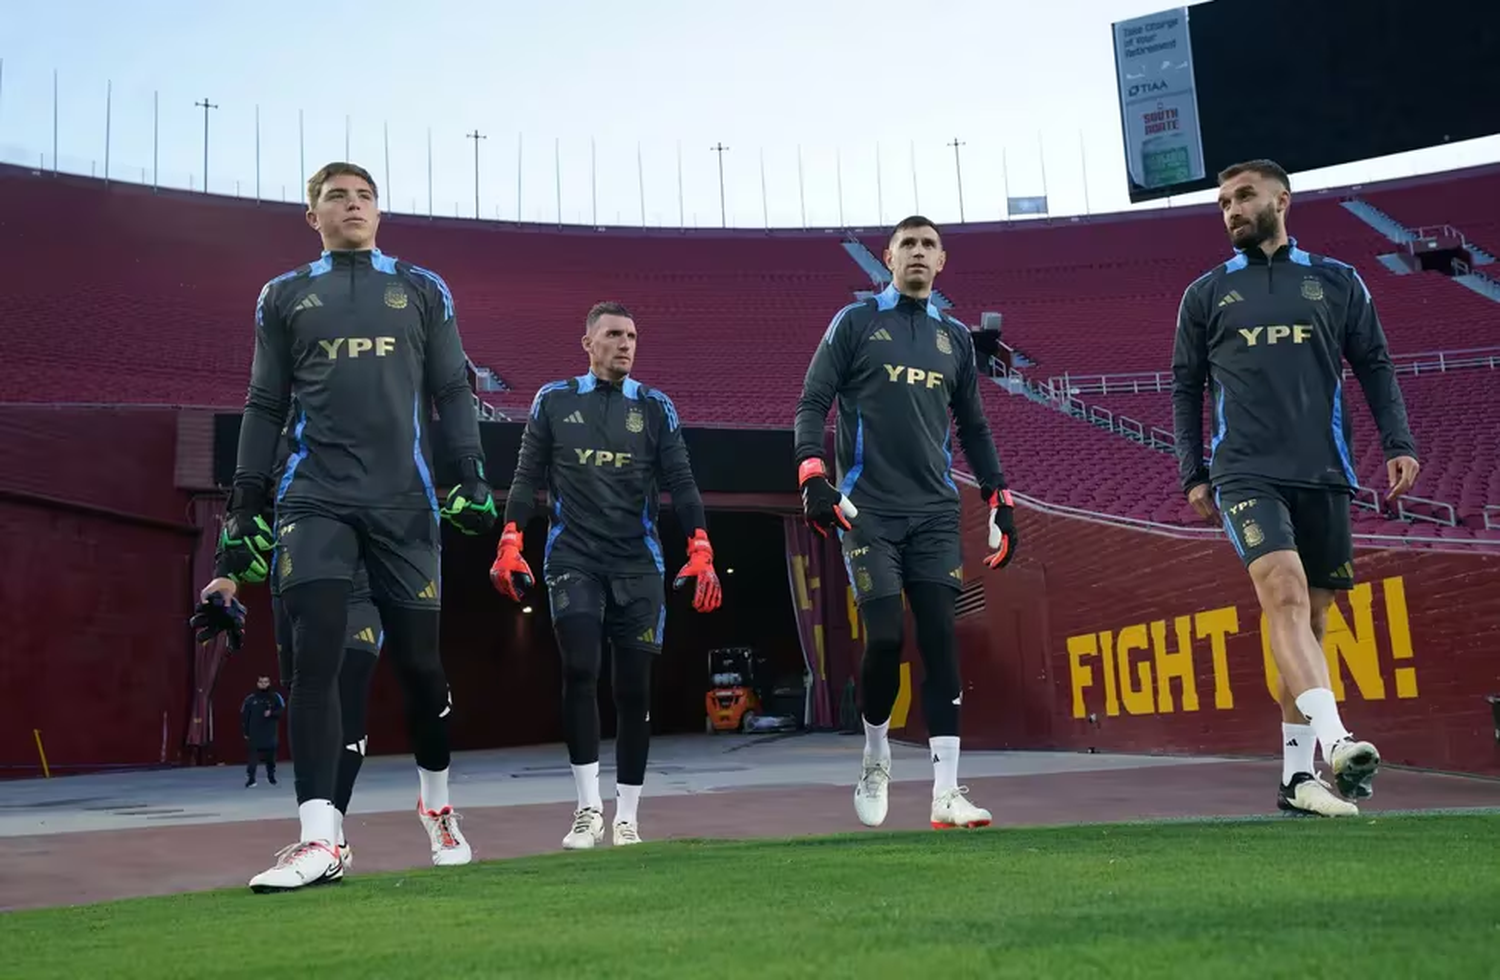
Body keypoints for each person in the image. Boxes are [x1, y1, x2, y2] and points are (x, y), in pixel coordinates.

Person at [196, 161, 495, 893]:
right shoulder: (284, 295)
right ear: (314, 216)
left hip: (404, 502)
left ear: (379, 212)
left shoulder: (424, 289)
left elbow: (453, 387)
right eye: (336, 196)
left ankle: (437, 807)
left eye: (364, 196)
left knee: (423, 675)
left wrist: (469, 475)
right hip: (314, 499)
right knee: (313, 662)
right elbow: (264, 405)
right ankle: (320, 838)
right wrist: (244, 509)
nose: (352, 205)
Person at [1171, 158, 1420, 817]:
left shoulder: (1338, 282)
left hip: (1324, 471)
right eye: (1222, 202)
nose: (1230, 210)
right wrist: (1191, 471)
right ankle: (1336, 744)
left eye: (1243, 196)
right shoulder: (1206, 293)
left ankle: (1294, 779)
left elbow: (1373, 363)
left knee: (1310, 621)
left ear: (1281, 200)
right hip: (1244, 470)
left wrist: (1398, 442)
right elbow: (1185, 385)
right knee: (1280, 594)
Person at [793, 215, 1019, 831]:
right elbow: (813, 401)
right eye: (908, 245)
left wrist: (998, 496)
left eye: (929, 245)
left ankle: (946, 793)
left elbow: (972, 426)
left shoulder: (953, 339)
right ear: (888, 257)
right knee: (887, 638)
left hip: (936, 513)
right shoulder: (857, 322)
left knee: (943, 637)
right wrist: (813, 474)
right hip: (868, 510)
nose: (918, 253)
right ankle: (875, 753)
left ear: (941, 262)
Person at [489, 301, 723, 849]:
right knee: (580, 669)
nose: (626, 344)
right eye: (614, 334)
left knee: (633, 688)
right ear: (587, 343)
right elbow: (525, 477)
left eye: (633, 336)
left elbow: (681, 481)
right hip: (573, 556)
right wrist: (510, 538)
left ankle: (628, 816)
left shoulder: (656, 407)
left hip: (639, 561)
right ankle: (587, 808)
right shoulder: (554, 399)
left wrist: (700, 543)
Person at [241, 676, 285, 787]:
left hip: (270, 733)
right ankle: (251, 779)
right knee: (252, 759)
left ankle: (271, 777)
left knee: (270, 759)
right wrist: (246, 732)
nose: (263, 684)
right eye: (261, 682)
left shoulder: (275, 697)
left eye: (265, 682)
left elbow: (281, 710)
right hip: (254, 733)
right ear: (257, 683)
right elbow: (245, 716)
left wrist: (272, 713)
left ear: (269, 683)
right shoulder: (250, 699)